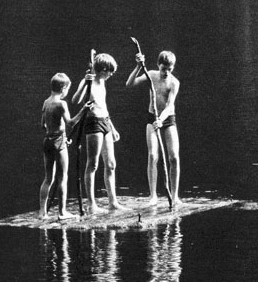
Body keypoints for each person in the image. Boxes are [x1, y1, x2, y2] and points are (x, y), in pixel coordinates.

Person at [125, 50, 181, 206]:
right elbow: (129, 84)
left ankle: (175, 196)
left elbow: (170, 106)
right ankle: (153, 196)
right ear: (158, 65)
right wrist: (138, 66)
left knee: (174, 157)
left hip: (168, 119)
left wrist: (161, 119)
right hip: (152, 118)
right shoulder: (151, 75)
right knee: (152, 155)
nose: (166, 72)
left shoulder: (174, 83)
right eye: (164, 69)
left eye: (170, 69)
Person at [72, 52, 123, 213]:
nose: (111, 75)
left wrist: (112, 128)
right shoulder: (88, 81)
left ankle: (113, 202)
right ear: (102, 70)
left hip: (105, 121)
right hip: (92, 122)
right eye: (110, 71)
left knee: (111, 164)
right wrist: (85, 83)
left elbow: (103, 105)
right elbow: (75, 100)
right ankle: (91, 204)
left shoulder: (102, 82)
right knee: (93, 164)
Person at [40, 73, 82, 219]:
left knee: (48, 178)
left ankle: (42, 212)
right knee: (62, 177)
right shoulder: (61, 104)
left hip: (47, 141)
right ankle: (62, 212)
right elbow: (70, 122)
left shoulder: (46, 102)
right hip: (59, 143)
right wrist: (83, 111)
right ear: (63, 88)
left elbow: (42, 124)